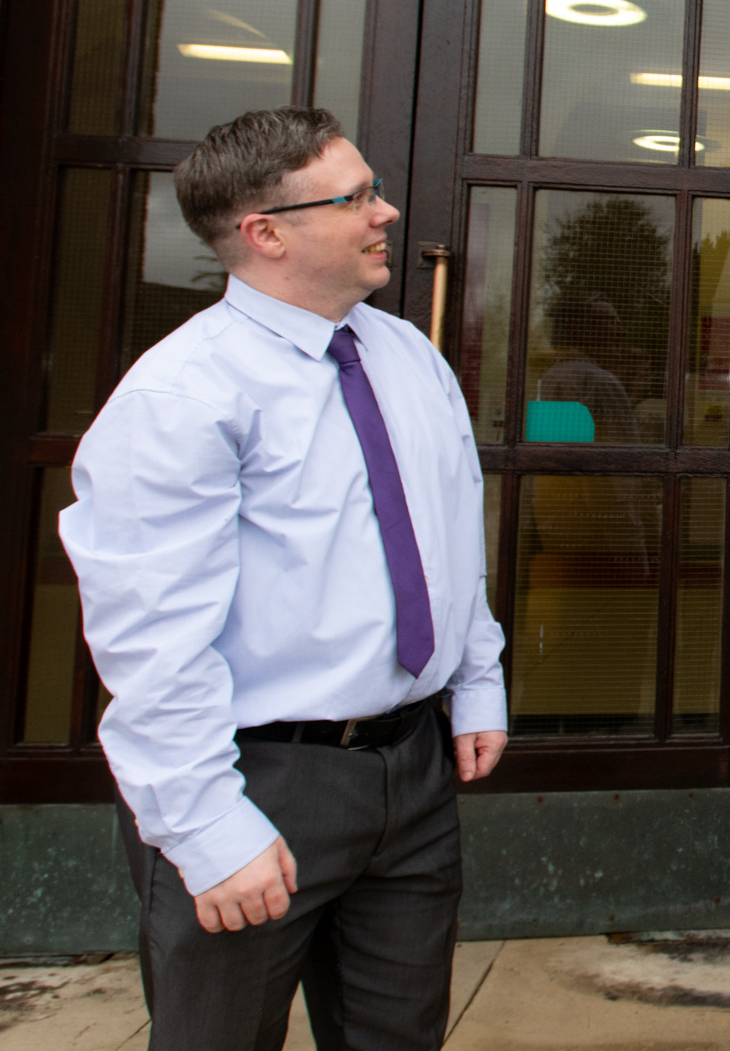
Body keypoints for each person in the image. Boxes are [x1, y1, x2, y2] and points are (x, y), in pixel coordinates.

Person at [61, 107, 508, 1051]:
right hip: (254, 777)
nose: (385, 213)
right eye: (358, 198)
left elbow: (450, 539)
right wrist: (205, 823)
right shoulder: (181, 397)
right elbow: (150, 640)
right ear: (265, 234)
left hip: (411, 775)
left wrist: (475, 684)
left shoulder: (409, 358)